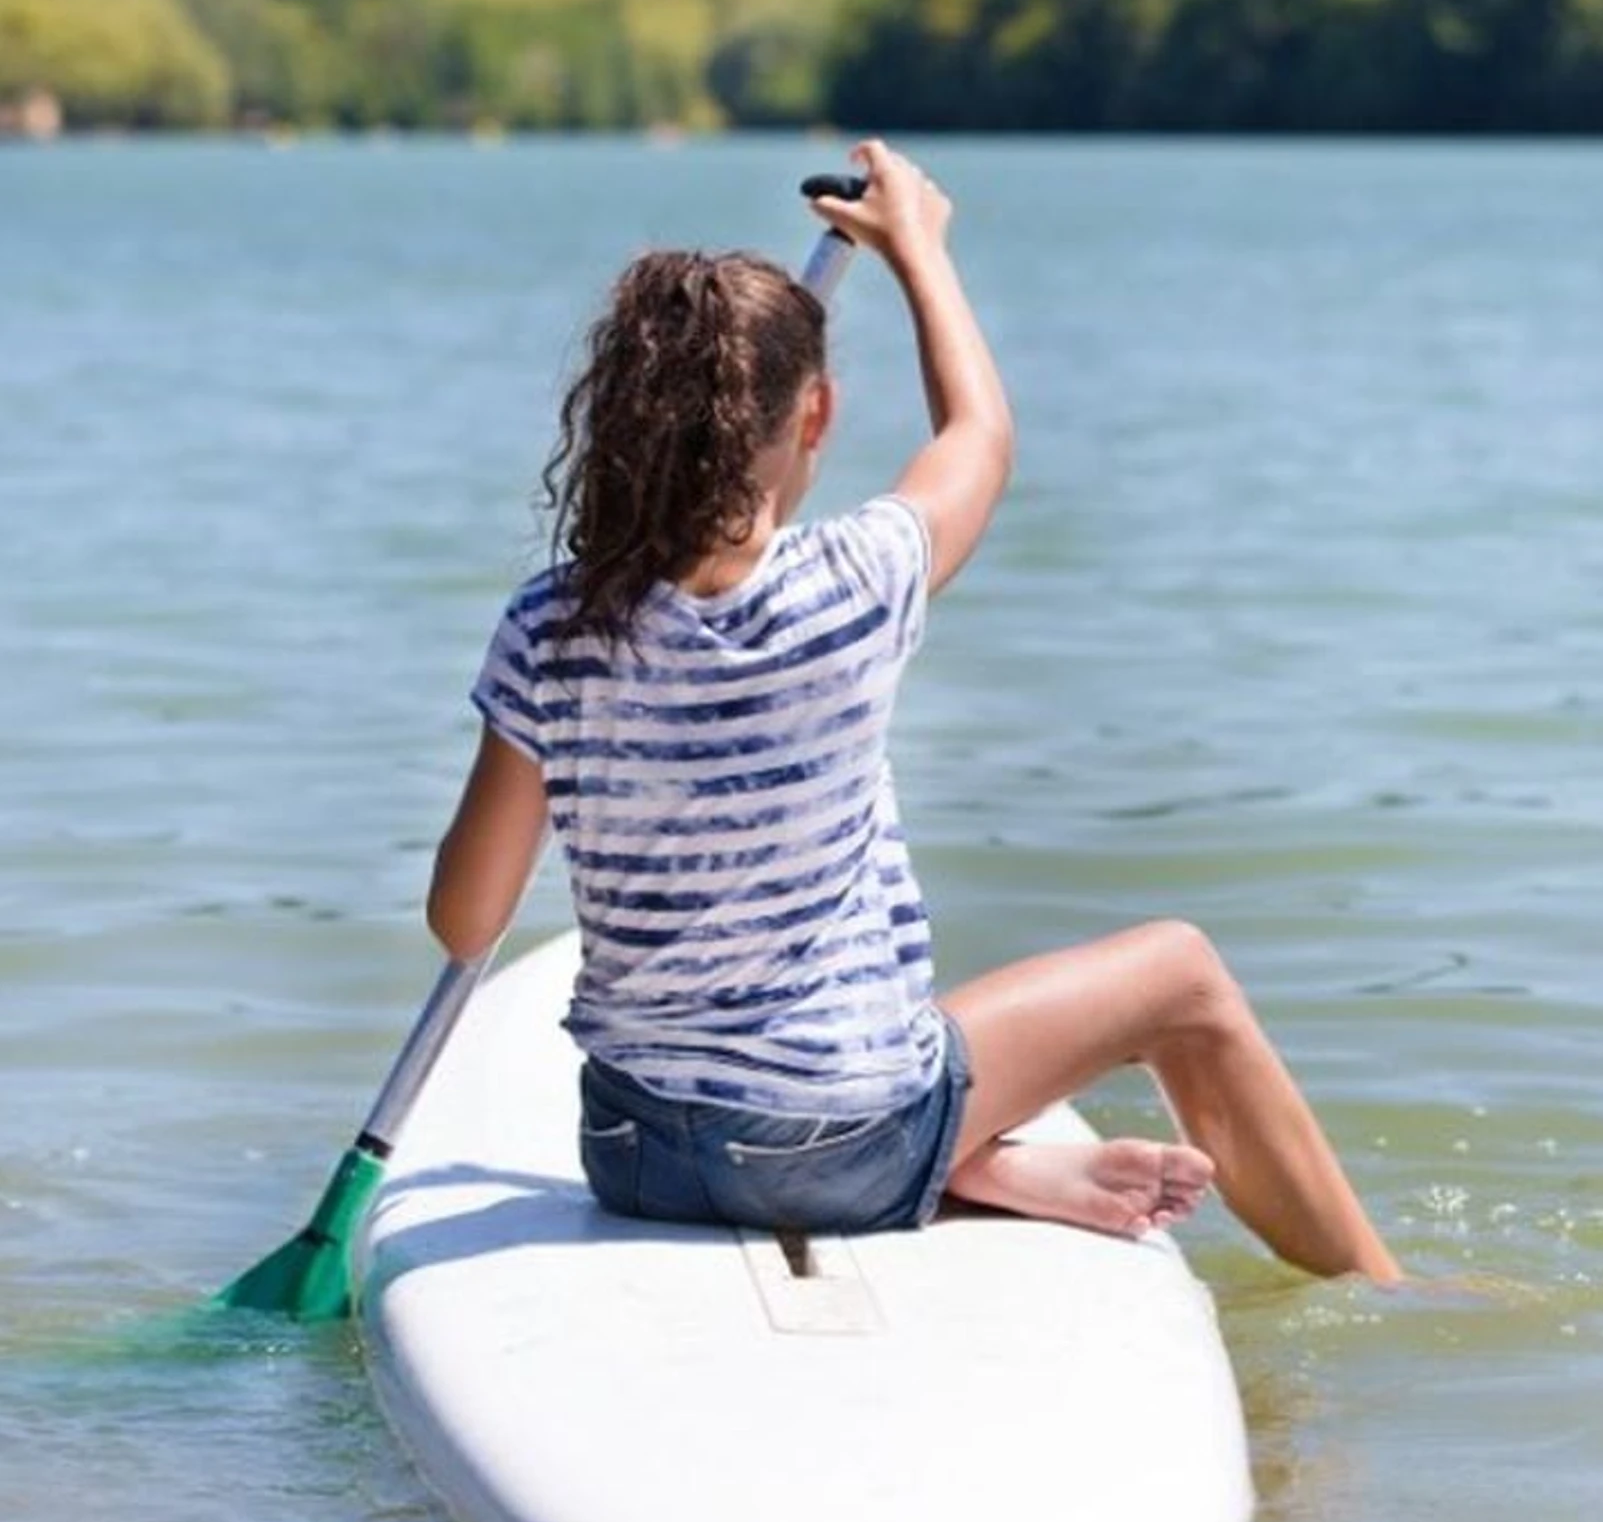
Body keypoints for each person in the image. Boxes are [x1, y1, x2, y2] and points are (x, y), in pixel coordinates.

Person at [425, 140, 1401, 1284]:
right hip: (841, 1146)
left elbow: (465, 923)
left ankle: (974, 1166)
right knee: (1179, 974)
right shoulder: (858, 581)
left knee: (857, 1037)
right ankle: (1386, 1292)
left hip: (635, 1155)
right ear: (818, 416)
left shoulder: (551, 625)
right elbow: (978, 437)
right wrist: (919, 252)